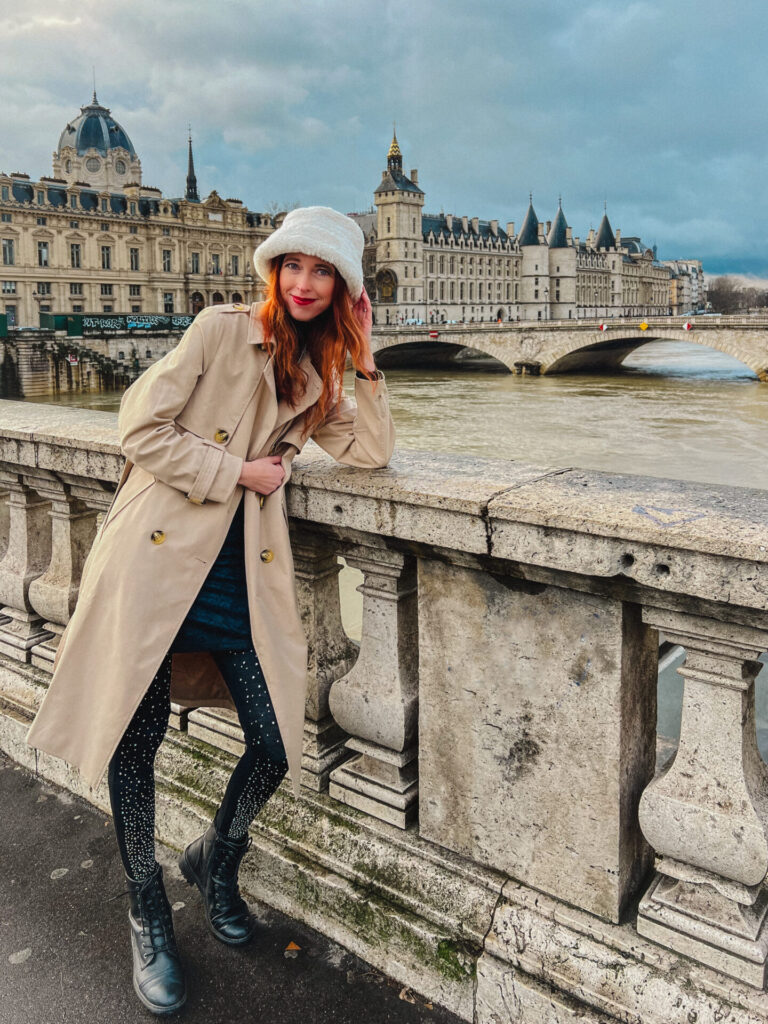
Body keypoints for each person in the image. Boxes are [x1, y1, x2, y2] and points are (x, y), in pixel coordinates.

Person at [26, 206, 395, 1015]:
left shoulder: (324, 368)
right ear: (273, 271)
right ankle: (146, 906)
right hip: (158, 562)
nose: (304, 284)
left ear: (343, 286)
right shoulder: (220, 330)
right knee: (137, 738)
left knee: (273, 740)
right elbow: (138, 427)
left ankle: (215, 860)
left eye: (322, 271)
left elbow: (369, 453)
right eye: (293, 266)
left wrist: (366, 361)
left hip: (237, 573)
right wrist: (239, 472)